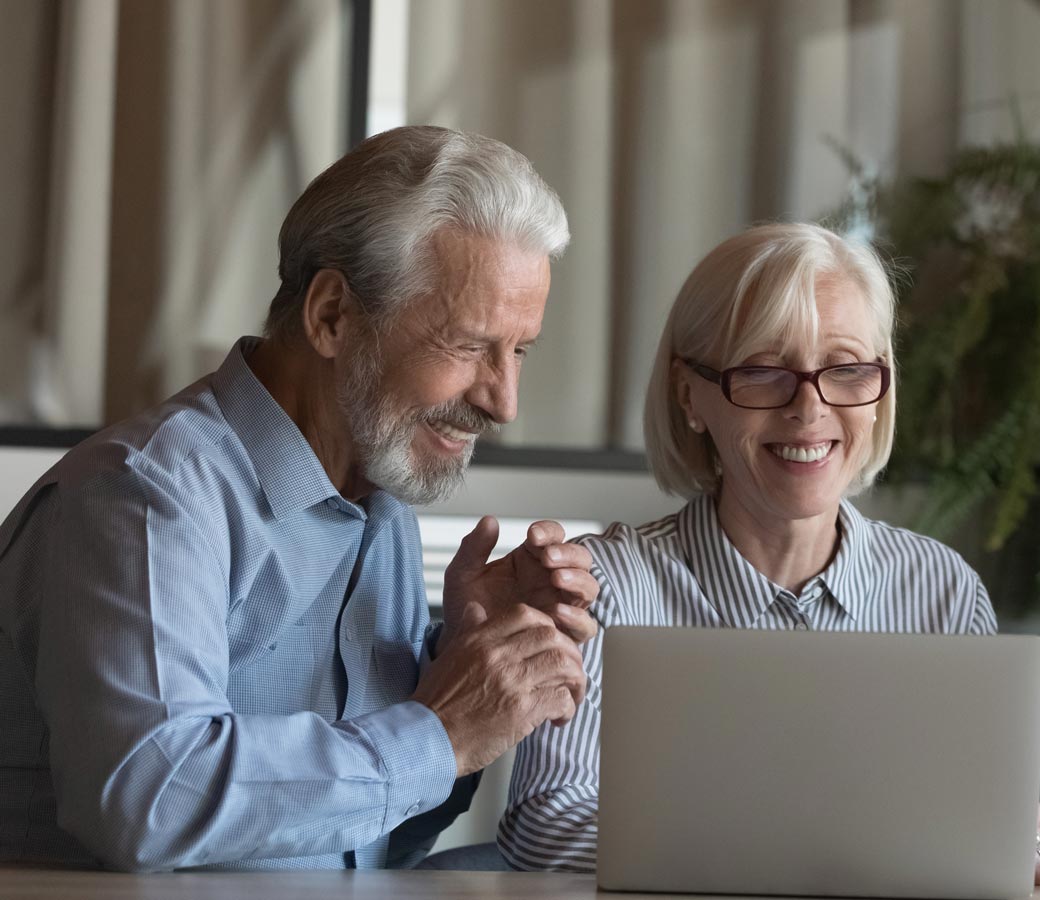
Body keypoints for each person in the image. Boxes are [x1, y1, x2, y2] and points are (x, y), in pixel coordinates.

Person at [0, 125, 601, 871]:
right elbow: (150, 797)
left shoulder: (381, 505)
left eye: (519, 351)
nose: (503, 403)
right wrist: (440, 731)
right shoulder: (147, 493)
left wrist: (461, 664)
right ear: (331, 316)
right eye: (468, 345)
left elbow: (365, 848)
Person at [494, 222, 1040, 883]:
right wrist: (820, 857)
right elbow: (544, 825)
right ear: (689, 394)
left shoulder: (943, 591)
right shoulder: (603, 588)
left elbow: (974, 830)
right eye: (764, 372)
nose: (808, 409)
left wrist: (1023, 842)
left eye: (846, 370)